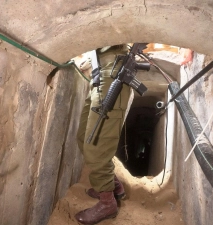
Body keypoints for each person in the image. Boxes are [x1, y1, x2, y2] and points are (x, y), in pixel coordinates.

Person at [75, 45, 131, 224]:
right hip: (100, 72)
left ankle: (107, 203)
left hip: (114, 71)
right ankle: (112, 185)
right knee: (84, 137)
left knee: (97, 144)